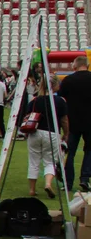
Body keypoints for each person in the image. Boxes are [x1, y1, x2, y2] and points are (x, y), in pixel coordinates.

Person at [26, 75, 68, 199]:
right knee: (50, 161)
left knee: (33, 161)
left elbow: (27, 116)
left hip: (35, 132)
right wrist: (66, 134)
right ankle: (48, 183)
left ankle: (32, 189)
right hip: (52, 133)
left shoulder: (34, 100)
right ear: (55, 86)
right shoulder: (60, 101)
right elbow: (64, 120)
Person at [58, 55, 91, 191]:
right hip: (90, 121)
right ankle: (85, 178)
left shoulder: (68, 80)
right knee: (89, 151)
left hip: (72, 121)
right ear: (87, 65)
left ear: (75, 66)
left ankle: (68, 182)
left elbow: (60, 97)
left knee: (69, 152)